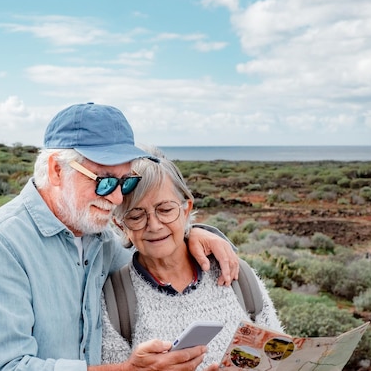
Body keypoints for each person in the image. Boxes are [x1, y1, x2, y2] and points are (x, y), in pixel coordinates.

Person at [0, 103, 239, 371]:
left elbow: (153, 254)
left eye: (126, 181)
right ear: (56, 170)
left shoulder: (99, 239)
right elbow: (9, 366)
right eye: (105, 181)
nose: (119, 198)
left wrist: (193, 234)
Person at [100, 146, 283, 370]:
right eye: (136, 216)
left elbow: (278, 360)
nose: (154, 225)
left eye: (166, 210)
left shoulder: (236, 274)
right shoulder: (114, 299)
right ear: (121, 225)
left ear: (186, 209)